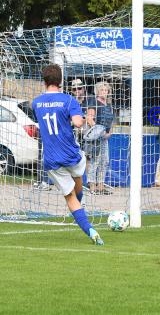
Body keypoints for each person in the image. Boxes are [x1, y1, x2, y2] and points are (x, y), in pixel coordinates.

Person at [32, 64, 104, 245]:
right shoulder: (69, 100)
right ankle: (82, 211)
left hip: (51, 158)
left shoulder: (36, 102)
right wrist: (86, 119)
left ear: (44, 81)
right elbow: (78, 123)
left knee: (70, 197)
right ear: (61, 81)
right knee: (79, 178)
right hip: (71, 153)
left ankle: (91, 231)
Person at [85, 81, 115, 195]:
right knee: (95, 161)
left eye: (106, 90)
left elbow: (111, 122)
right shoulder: (94, 102)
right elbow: (89, 119)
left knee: (105, 161)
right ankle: (92, 186)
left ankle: (101, 186)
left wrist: (109, 132)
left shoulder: (109, 106)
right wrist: (98, 131)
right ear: (97, 91)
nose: (104, 92)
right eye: (102, 90)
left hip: (105, 138)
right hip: (95, 138)